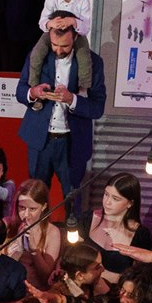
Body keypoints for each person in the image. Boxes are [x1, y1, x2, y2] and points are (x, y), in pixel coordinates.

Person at [15, 10, 106, 202]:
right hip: (40, 140)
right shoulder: (37, 56)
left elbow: (97, 108)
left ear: (75, 37)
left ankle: (74, 232)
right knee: (35, 199)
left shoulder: (93, 62)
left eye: (64, 46)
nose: (58, 50)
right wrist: (34, 93)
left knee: (73, 199)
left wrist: (72, 99)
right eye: (54, 45)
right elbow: (20, 91)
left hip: (72, 143)